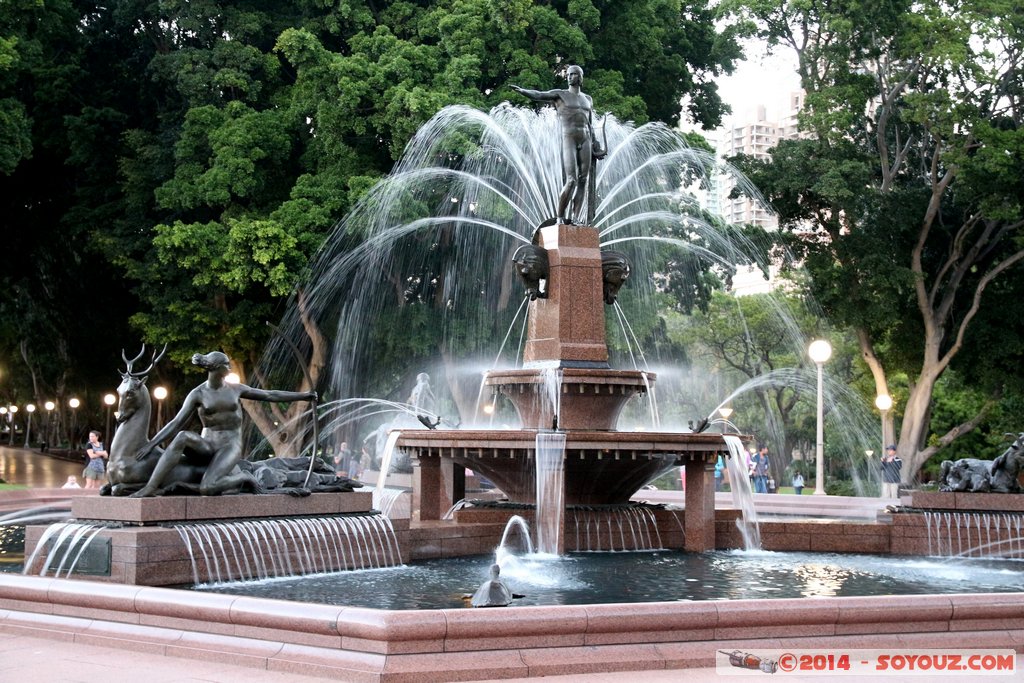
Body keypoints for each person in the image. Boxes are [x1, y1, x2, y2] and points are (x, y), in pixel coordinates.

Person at [129, 350, 316, 498]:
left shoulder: (235, 389)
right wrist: (151, 443)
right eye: (226, 365)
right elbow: (177, 422)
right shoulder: (198, 393)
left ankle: (243, 476)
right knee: (182, 436)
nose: (229, 367)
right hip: (207, 444)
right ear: (216, 368)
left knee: (207, 488)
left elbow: (270, 395)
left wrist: (304, 396)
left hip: (229, 446)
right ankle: (151, 487)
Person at [511, 65, 605, 224]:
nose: (570, 77)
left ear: (580, 77)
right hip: (568, 138)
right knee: (571, 180)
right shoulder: (560, 95)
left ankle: (576, 219)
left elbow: (590, 123)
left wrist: (596, 144)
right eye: (568, 74)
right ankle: (560, 218)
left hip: (586, 139)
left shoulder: (588, 99)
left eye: (574, 74)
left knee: (583, 180)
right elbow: (539, 95)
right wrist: (523, 91)